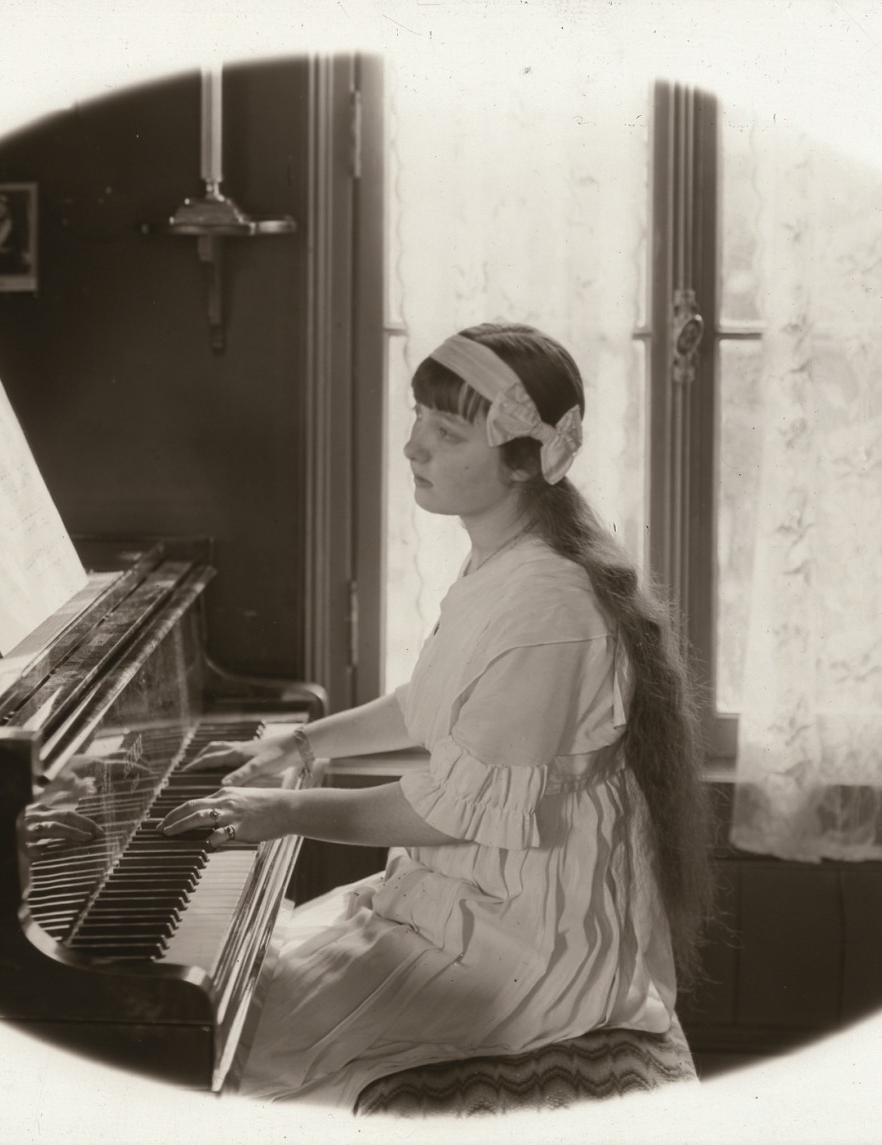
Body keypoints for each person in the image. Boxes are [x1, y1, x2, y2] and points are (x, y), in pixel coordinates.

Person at [157, 322, 713, 1107]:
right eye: (418, 415)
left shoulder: (549, 602)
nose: (413, 447)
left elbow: (453, 809)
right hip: (472, 894)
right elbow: (431, 703)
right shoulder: (501, 554)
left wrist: (280, 810)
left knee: (232, 1051)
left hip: (529, 937)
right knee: (234, 1001)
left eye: (446, 431)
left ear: (523, 460)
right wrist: (303, 741)